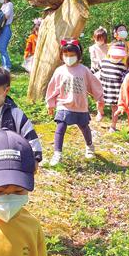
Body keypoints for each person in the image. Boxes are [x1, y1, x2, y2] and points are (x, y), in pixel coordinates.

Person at [45, 38, 105, 166]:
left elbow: (94, 84)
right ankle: (57, 153)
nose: (69, 58)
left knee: (84, 127)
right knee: (60, 127)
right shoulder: (59, 71)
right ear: (61, 55)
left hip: (80, 106)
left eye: (72, 55)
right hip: (64, 105)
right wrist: (50, 104)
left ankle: (89, 146)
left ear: (78, 55)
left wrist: (99, 98)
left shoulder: (84, 70)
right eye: (66, 55)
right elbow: (52, 88)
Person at [95, 42, 129, 132]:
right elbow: (94, 70)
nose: (116, 57)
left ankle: (113, 126)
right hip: (103, 88)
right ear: (110, 53)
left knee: (115, 108)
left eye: (119, 56)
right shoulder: (103, 62)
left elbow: (126, 78)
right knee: (99, 103)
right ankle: (100, 112)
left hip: (116, 91)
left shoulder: (123, 66)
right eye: (115, 55)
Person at [0, 0, 14, 70]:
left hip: (6, 28)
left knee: (3, 48)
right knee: (0, 48)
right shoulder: (3, 5)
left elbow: (6, 16)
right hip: (0, 28)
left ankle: (7, 66)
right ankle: (4, 65)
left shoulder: (9, 4)